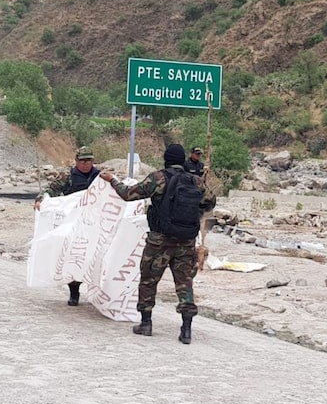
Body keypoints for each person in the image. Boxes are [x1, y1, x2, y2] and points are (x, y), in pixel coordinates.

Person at [99, 143, 216, 344]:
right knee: (184, 284)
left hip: (159, 241)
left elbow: (128, 194)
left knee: (148, 281)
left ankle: (146, 324)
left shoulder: (158, 178)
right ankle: (186, 330)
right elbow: (210, 202)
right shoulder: (196, 181)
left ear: (166, 159)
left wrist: (112, 180)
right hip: (186, 242)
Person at [33, 146, 100, 306]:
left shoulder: (100, 177)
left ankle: (98, 294)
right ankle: (74, 292)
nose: (86, 164)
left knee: (96, 258)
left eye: (89, 160)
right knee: (75, 257)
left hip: (95, 223)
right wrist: (41, 199)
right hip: (74, 224)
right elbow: (51, 190)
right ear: (76, 161)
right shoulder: (68, 177)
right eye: (83, 161)